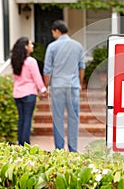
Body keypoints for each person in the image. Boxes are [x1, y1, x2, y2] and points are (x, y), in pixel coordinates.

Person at [43, 20, 85, 152]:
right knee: (73, 118)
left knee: (58, 118)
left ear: (57, 31)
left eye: (53, 32)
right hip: (73, 86)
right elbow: (82, 67)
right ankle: (73, 149)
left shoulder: (52, 47)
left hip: (58, 86)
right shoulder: (78, 46)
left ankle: (59, 150)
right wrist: (80, 82)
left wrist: (46, 86)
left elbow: (47, 70)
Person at [11, 37, 47, 146]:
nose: (32, 46)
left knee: (21, 119)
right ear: (25, 47)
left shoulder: (15, 61)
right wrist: (43, 89)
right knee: (27, 119)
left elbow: (15, 79)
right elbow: (36, 77)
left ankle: (20, 144)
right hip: (29, 94)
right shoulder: (31, 61)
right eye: (30, 44)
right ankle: (26, 144)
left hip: (17, 94)